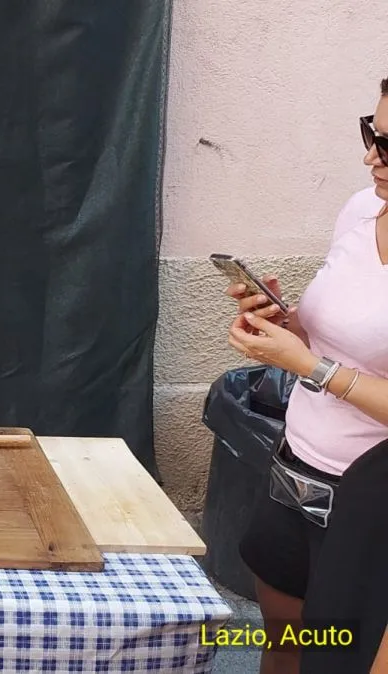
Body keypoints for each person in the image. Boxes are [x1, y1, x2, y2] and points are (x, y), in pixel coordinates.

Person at [224, 75, 388, 674]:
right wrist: (283, 325)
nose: (371, 157)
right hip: (296, 467)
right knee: (285, 640)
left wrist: (309, 367)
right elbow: (334, 332)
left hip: (369, 502)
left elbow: (321, 363)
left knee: (338, 654)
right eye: (372, 133)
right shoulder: (362, 209)